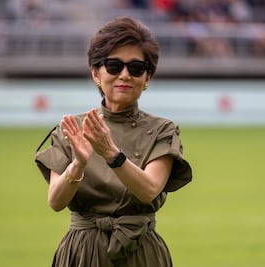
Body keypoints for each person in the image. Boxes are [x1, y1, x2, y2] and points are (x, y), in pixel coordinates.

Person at [35, 16, 192, 267]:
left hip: (140, 250)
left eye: (137, 68)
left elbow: (150, 190)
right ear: (96, 73)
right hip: (82, 252)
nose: (125, 75)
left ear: (147, 78)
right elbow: (55, 201)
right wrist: (78, 165)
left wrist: (111, 154)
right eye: (114, 65)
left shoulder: (162, 129)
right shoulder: (72, 129)